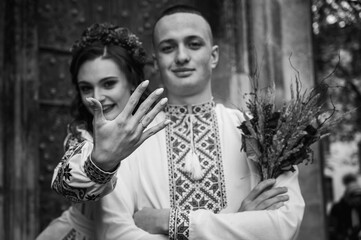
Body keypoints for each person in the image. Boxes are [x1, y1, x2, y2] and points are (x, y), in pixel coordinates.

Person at [52, 5, 305, 240]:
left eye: (194, 44)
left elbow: (283, 224)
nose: (182, 56)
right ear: (156, 59)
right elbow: (118, 233)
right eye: (168, 48)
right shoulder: (131, 137)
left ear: (213, 56)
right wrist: (239, 223)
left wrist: (170, 221)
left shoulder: (260, 132)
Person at [37, 22, 169, 239]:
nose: (96, 97)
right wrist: (101, 162)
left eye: (108, 84)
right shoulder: (82, 133)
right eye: (86, 88)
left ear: (132, 82)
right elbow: (64, 183)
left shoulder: (161, 123)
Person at [329, 173, 361, 240]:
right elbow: (332, 228)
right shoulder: (337, 208)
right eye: (355, 197)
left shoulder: (358, 208)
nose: (357, 201)